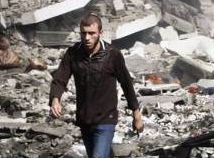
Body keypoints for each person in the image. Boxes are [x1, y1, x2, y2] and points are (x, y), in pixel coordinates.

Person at [49, 13, 144, 158]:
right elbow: (60, 78)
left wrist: (136, 114)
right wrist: (55, 99)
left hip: (106, 118)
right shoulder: (73, 54)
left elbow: (126, 83)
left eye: (91, 33)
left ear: (100, 33)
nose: (87, 38)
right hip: (85, 119)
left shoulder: (112, 55)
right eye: (83, 33)